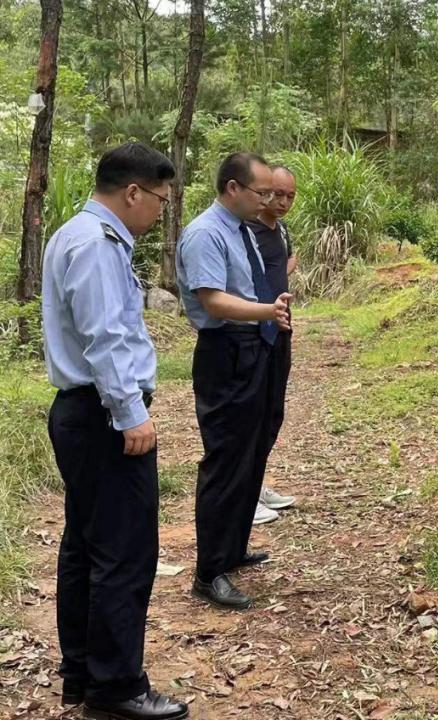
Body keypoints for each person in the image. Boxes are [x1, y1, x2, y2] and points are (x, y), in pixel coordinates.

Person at [42, 142, 188, 719]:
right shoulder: (98, 246)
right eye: (158, 200)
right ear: (132, 192)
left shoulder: (71, 234)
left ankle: (82, 671)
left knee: (86, 546)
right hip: (102, 415)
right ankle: (116, 687)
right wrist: (131, 414)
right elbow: (105, 338)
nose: (159, 212)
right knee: (124, 553)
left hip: (79, 411)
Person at [176, 152, 292, 610]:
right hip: (227, 351)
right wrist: (267, 312)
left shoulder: (242, 229)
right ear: (232, 188)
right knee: (226, 458)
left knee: (253, 446)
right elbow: (214, 300)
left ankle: (232, 547)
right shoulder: (206, 233)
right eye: (261, 191)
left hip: (256, 345)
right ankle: (208, 572)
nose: (268, 199)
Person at [246, 165, 298, 525]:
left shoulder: (280, 231)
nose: (281, 202)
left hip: (281, 331)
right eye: (276, 193)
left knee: (272, 413)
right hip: (253, 335)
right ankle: (244, 496)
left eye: (289, 196)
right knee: (251, 415)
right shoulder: (245, 232)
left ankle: (255, 482)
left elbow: (281, 265)